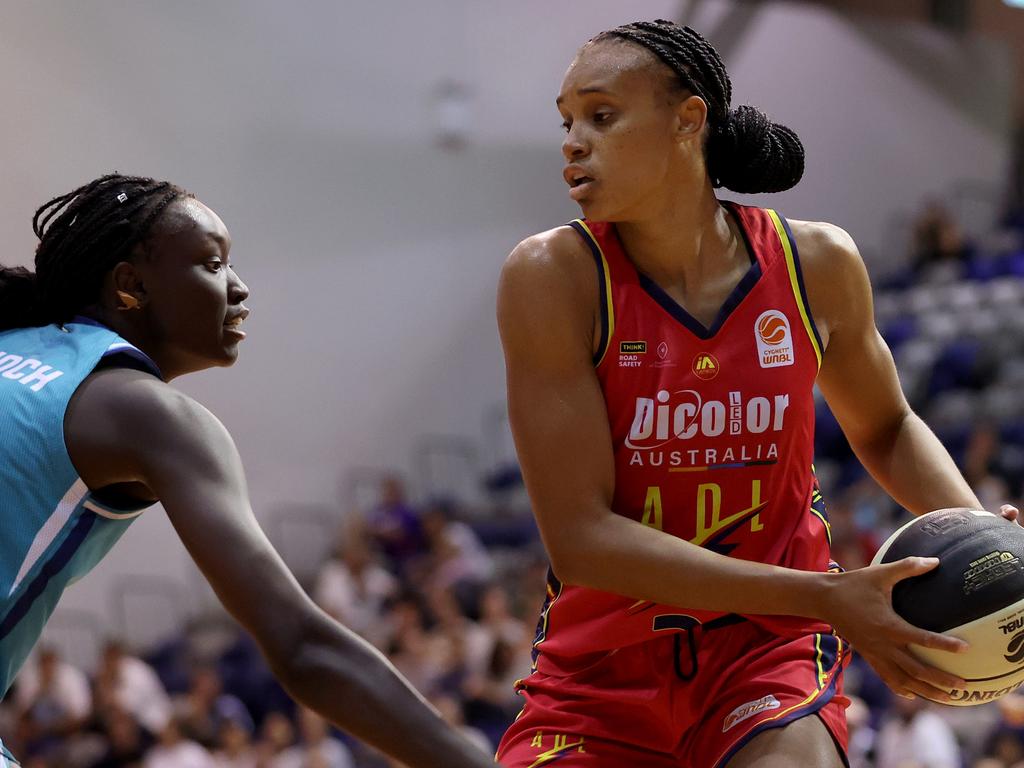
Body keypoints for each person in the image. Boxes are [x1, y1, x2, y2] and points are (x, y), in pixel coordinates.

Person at [494, 20, 1018, 768]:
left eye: (601, 116)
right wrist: (829, 598)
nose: (573, 141)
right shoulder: (553, 277)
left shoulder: (817, 263)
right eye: (567, 121)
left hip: (767, 652)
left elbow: (888, 426)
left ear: (689, 120)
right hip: (600, 675)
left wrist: (976, 534)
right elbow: (580, 541)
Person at [0, 174, 497, 768]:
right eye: (212, 265)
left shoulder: (16, 346)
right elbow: (303, 647)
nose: (239, 288)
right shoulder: (148, 413)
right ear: (130, 286)